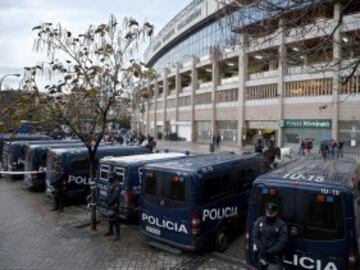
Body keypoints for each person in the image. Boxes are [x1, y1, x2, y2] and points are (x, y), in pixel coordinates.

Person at [253, 203, 288, 270]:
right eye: (268, 213)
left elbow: (282, 242)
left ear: (276, 212)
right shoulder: (260, 221)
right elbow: (255, 236)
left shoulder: (281, 224)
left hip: (274, 257)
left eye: (271, 213)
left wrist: (269, 251)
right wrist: (262, 249)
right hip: (262, 255)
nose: (269, 214)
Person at [104, 172, 122, 241]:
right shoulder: (109, 183)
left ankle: (118, 235)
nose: (109, 178)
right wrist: (107, 201)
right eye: (109, 177)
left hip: (114, 205)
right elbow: (108, 193)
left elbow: (116, 196)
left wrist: (110, 202)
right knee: (109, 218)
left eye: (111, 177)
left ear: (114, 177)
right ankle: (110, 231)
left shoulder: (117, 185)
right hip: (109, 204)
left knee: (116, 220)